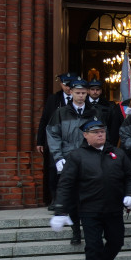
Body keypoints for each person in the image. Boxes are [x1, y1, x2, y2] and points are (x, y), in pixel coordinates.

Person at [51, 118, 131, 260]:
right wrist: (60, 210)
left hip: (113, 209)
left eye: (102, 132)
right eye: (95, 132)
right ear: (85, 135)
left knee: (116, 242)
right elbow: (66, 184)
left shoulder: (118, 154)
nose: (100, 135)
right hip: (90, 209)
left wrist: (130, 193)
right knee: (94, 246)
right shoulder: (77, 156)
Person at [47, 79, 102, 245]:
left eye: (83, 93)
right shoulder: (61, 112)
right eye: (77, 92)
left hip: (88, 158)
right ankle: (76, 232)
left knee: (89, 196)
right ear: (70, 93)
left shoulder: (93, 112)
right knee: (71, 197)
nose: (80, 96)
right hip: (67, 158)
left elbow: (99, 133)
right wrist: (57, 157)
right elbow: (53, 134)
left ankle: (90, 230)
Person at [37, 72, 76, 209]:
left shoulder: (81, 98)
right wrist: (40, 141)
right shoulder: (54, 99)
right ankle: (55, 198)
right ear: (61, 84)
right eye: (65, 85)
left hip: (74, 141)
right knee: (54, 170)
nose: (67, 87)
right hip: (56, 141)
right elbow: (45, 120)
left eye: (70, 85)